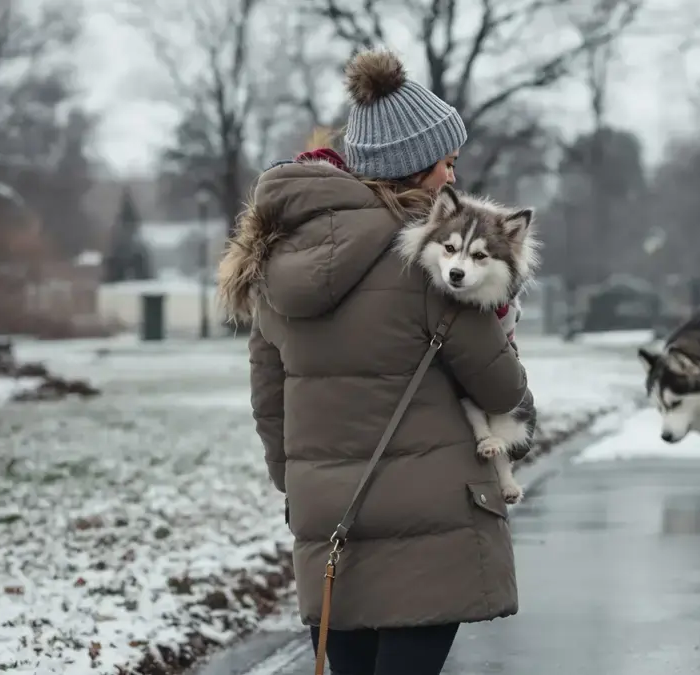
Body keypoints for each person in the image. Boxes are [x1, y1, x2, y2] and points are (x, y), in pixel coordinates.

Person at [215, 47, 530, 675]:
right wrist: (504, 318)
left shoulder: (272, 263)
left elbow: (268, 402)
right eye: (445, 164)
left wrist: (300, 487)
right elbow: (500, 389)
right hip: (432, 530)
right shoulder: (430, 268)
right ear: (415, 171)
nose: (452, 179)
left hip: (331, 524)